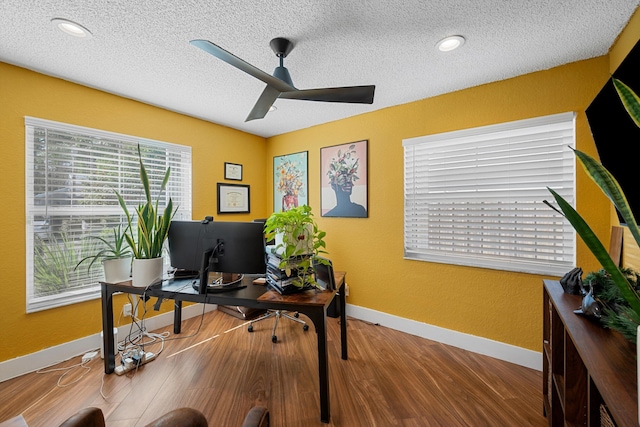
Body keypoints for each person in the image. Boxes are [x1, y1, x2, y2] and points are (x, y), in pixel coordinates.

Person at [324, 144, 367, 218]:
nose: (349, 184)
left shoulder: (360, 210)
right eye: (343, 180)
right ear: (333, 186)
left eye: (349, 179)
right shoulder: (329, 215)